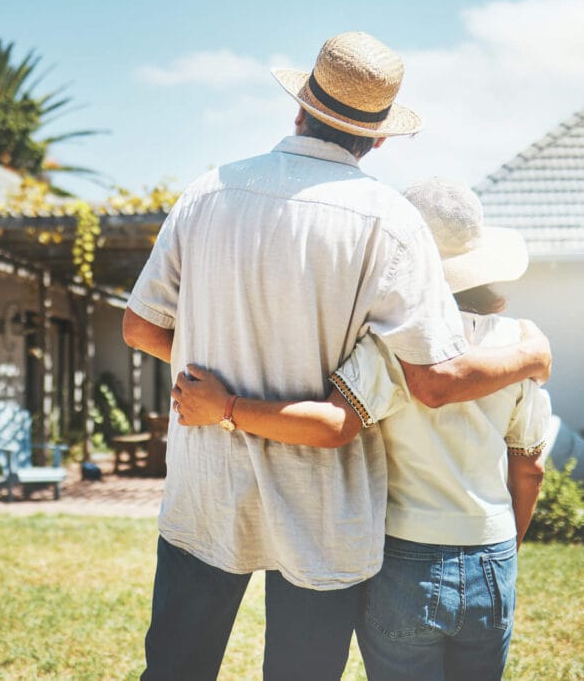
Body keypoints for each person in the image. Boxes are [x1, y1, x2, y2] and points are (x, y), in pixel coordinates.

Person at [123, 32, 552, 680]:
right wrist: (531, 354)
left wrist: (213, 390)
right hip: (320, 505)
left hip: (206, 485)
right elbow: (432, 382)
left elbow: (138, 326)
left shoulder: (207, 191)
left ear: (299, 105)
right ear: (379, 137)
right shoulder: (387, 219)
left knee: (177, 669)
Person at [172, 177, 551, 680]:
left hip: (407, 557)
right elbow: (530, 468)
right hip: (493, 557)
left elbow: (333, 423)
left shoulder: (391, 346)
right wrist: (502, 547)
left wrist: (227, 407)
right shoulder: (520, 344)